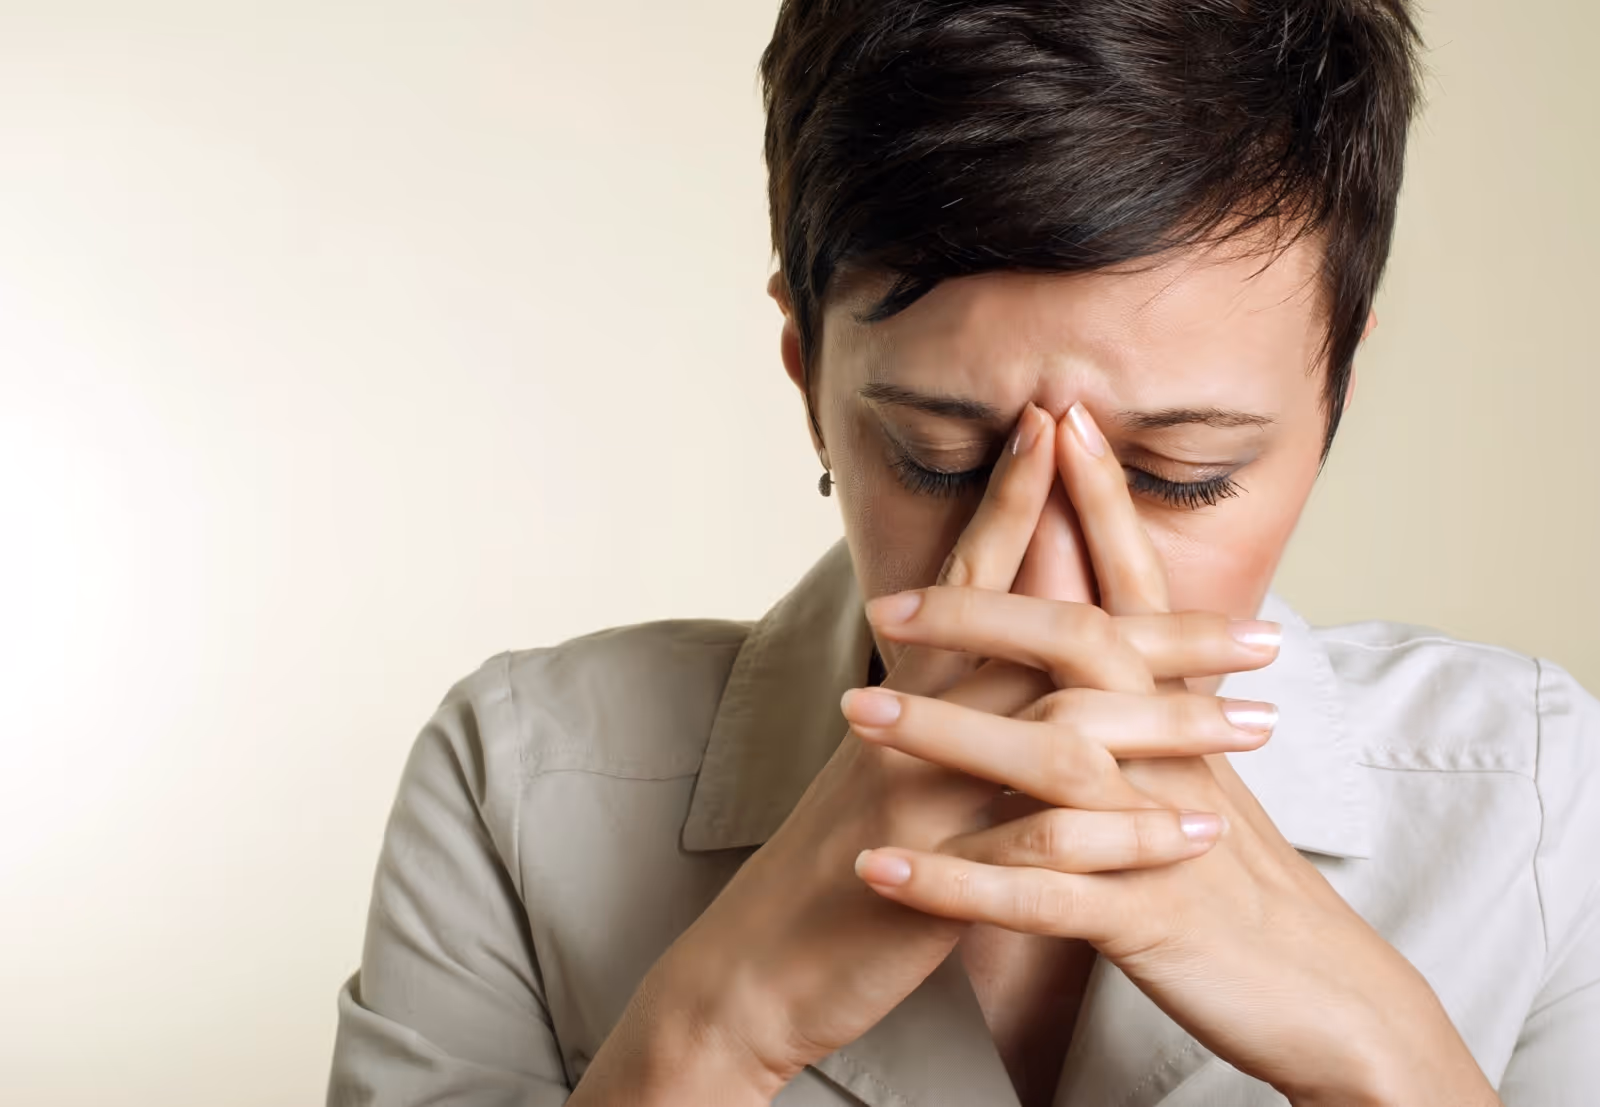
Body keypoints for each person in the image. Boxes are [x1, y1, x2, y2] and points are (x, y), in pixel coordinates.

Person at [327, 1, 1600, 1104]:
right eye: (940, 456)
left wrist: (1385, 1059)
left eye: (1180, 476)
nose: (1047, 592)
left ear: (1336, 392)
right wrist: (717, 1027)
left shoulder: (1529, 801)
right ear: (806, 373)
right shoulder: (526, 786)